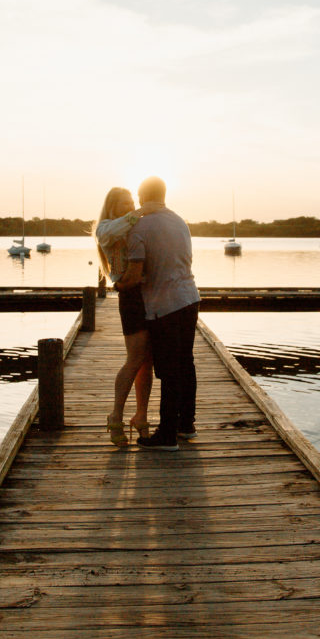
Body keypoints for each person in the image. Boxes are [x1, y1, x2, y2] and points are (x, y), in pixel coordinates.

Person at [115, 176, 200, 451]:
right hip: (190, 298)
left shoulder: (140, 226)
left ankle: (167, 435)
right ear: (163, 195)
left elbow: (135, 272)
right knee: (185, 364)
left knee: (168, 370)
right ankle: (186, 425)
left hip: (165, 305)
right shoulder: (180, 221)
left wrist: (119, 283)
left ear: (141, 198)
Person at [95, 187, 153, 447]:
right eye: (123, 204)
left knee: (147, 362)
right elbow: (112, 231)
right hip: (130, 296)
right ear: (111, 207)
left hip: (151, 295)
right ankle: (115, 414)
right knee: (134, 358)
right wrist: (142, 211)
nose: (129, 207)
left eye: (132, 203)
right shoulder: (106, 229)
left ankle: (141, 415)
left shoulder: (136, 227)